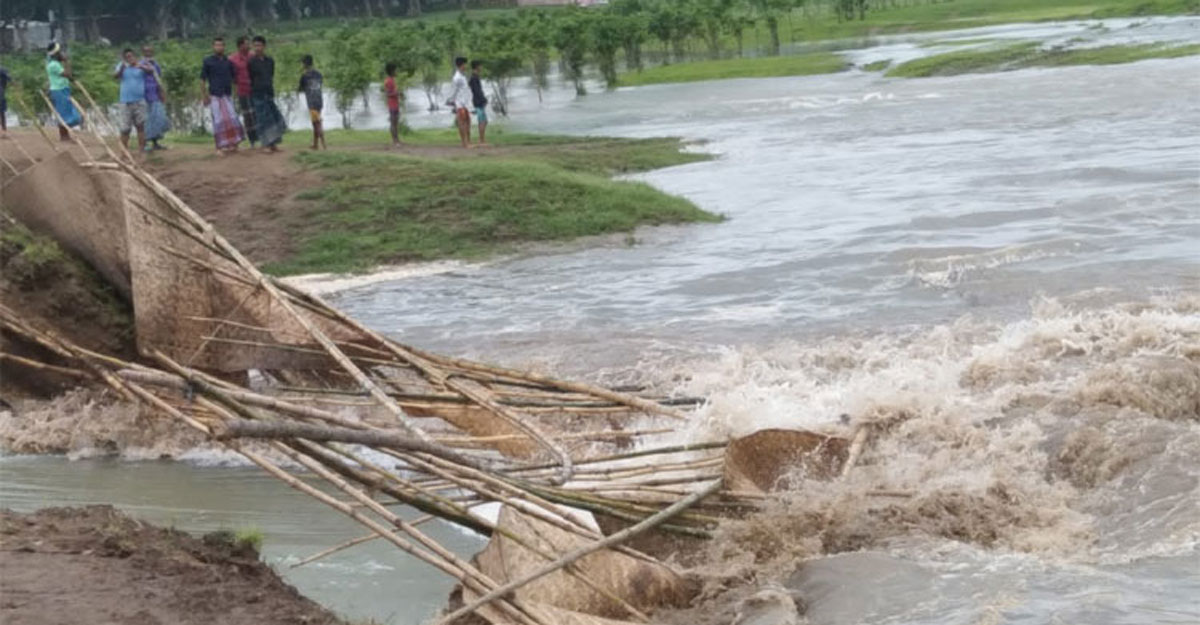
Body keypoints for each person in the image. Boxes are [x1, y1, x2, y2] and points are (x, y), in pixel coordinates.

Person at [200, 37, 244, 154]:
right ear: (213, 47)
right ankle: (219, 147)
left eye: (221, 45)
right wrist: (204, 96)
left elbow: (234, 79)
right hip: (215, 95)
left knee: (231, 119)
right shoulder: (208, 61)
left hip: (227, 95)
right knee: (218, 121)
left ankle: (233, 144)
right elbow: (202, 80)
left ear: (224, 47)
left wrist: (236, 92)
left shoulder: (228, 62)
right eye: (217, 45)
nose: (219, 47)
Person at [248, 35, 285, 152]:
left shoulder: (270, 61)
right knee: (262, 119)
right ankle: (265, 144)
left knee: (272, 118)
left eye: (259, 45)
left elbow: (271, 75)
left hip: (268, 92)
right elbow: (250, 77)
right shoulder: (251, 62)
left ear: (264, 46)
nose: (257, 48)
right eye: (255, 46)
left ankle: (273, 143)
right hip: (257, 93)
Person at [113, 48, 149, 154]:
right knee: (125, 128)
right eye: (127, 57)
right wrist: (122, 68)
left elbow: (151, 71)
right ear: (124, 58)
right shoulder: (121, 66)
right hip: (125, 102)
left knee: (140, 126)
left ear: (135, 56)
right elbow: (115, 76)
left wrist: (140, 66)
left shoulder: (141, 65)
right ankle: (124, 152)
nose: (130, 58)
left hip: (140, 101)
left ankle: (141, 150)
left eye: (131, 56)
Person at [46, 43, 82, 142]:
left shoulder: (56, 64)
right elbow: (67, 74)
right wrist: (66, 62)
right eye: (60, 52)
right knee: (64, 113)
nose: (62, 54)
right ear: (56, 54)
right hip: (59, 90)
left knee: (66, 112)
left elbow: (68, 76)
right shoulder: (54, 65)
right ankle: (64, 136)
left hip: (62, 89)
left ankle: (65, 134)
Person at [229, 36, 257, 147]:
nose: (248, 45)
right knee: (247, 115)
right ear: (240, 46)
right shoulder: (232, 59)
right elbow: (231, 76)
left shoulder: (253, 56)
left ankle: (261, 137)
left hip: (255, 89)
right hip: (242, 90)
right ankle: (252, 140)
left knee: (257, 113)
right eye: (246, 44)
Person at [140, 45, 170, 151]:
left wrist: (161, 92)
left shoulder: (156, 65)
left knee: (158, 118)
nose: (148, 53)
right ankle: (145, 143)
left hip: (155, 95)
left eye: (150, 51)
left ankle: (155, 142)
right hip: (144, 95)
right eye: (146, 51)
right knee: (146, 120)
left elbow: (158, 79)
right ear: (143, 52)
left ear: (152, 52)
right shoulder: (140, 64)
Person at [297, 54, 325, 150]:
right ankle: (315, 144)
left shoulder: (304, 76)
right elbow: (320, 84)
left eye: (302, 63)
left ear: (304, 64)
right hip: (319, 100)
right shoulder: (319, 74)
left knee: (316, 123)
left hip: (311, 102)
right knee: (315, 122)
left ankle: (323, 144)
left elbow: (300, 89)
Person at [446, 57, 471, 149]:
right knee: (462, 122)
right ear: (461, 65)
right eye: (465, 64)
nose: (466, 66)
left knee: (468, 122)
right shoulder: (456, 78)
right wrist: (450, 100)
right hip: (460, 103)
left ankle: (468, 141)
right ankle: (464, 142)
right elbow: (454, 90)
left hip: (466, 103)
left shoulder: (463, 76)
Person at [468, 60, 488, 147]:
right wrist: (483, 99)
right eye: (480, 66)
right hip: (478, 101)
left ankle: (482, 139)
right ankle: (481, 140)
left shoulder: (475, 77)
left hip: (478, 100)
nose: (481, 68)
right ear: (476, 67)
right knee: (482, 120)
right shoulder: (474, 78)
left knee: (484, 121)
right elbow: (477, 91)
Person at [383, 62, 403, 147]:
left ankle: (396, 139)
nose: (396, 72)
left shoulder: (392, 80)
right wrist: (397, 93)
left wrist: (398, 93)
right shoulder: (388, 81)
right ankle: (395, 141)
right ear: (392, 71)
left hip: (395, 103)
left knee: (395, 122)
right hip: (392, 104)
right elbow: (387, 94)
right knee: (393, 122)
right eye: (395, 70)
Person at [0, 66, 11, 134]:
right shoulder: (3, 70)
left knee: (2, 112)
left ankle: (4, 130)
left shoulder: (3, 70)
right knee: (2, 112)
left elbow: (9, 78)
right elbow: (9, 78)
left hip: (1, 94)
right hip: (1, 94)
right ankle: (4, 130)